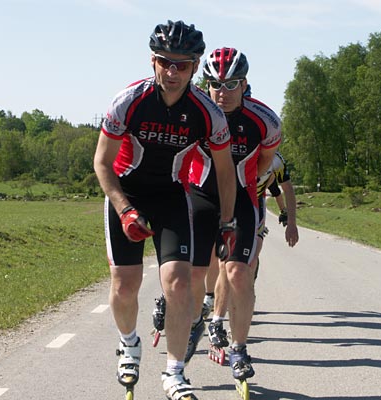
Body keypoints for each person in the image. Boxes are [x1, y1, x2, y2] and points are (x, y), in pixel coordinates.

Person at [93, 20, 237, 400]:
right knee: (125, 285)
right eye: (164, 62)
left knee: (178, 282)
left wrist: (227, 221)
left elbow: (225, 174)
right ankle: (128, 343)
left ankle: (174, 372)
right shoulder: (129, 101)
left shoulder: (208, 113)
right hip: (127, 193)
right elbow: (102, 164)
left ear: (195, 65)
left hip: (172, 196)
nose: (172, 73)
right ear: (153, 61)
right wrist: (124, 210)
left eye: (183, 65)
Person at [189, 47, 281, 380]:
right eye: (215, 84)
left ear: (245, 85)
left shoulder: (265, 121)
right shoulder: (195, 111)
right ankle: (196, 320)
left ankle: (239, 348)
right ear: (206, 84)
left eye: (232, 85)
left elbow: (264, 164)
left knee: (239, 274)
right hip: (200, 195)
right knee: (194, 272)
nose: (222, 93)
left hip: (242, 197)